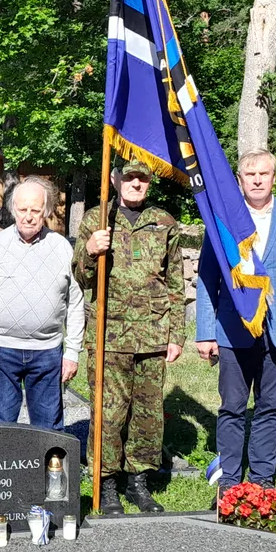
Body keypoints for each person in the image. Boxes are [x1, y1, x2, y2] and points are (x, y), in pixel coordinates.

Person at [196, 149, 276, 492]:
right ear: (239, 181)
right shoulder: (223, 221)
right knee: (232, 407)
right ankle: (231, 481)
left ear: (274, 177)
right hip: (234, 327)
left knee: (269, 407)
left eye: (264, 174)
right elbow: (207, 279)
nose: (258, 180)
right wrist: (206, 332)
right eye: (250, 175)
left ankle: (262, 480)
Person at [74, 159, 184, 514]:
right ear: (114, 178)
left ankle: (138, 481)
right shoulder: (97, 219)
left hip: (152, 333)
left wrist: (177, 333)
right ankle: (105, 482)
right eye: (130, 177)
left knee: (148, 413)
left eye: (143, 178)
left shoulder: (163, 221)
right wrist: (91, 250)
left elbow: (175, 283)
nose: (136, 184)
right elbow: (80, 277)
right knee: (108, 412)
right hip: (109, 334)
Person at [0, 179, 84, 430]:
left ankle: (48, 471)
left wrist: (73, 352)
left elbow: (76, 302)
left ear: (46, 211)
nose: (29, 217)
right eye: (23, 210)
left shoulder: (62, 248)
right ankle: (3, 471)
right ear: (13, 210)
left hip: (47, 352)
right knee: (0, 429)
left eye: (35, 210)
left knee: (49, 429)